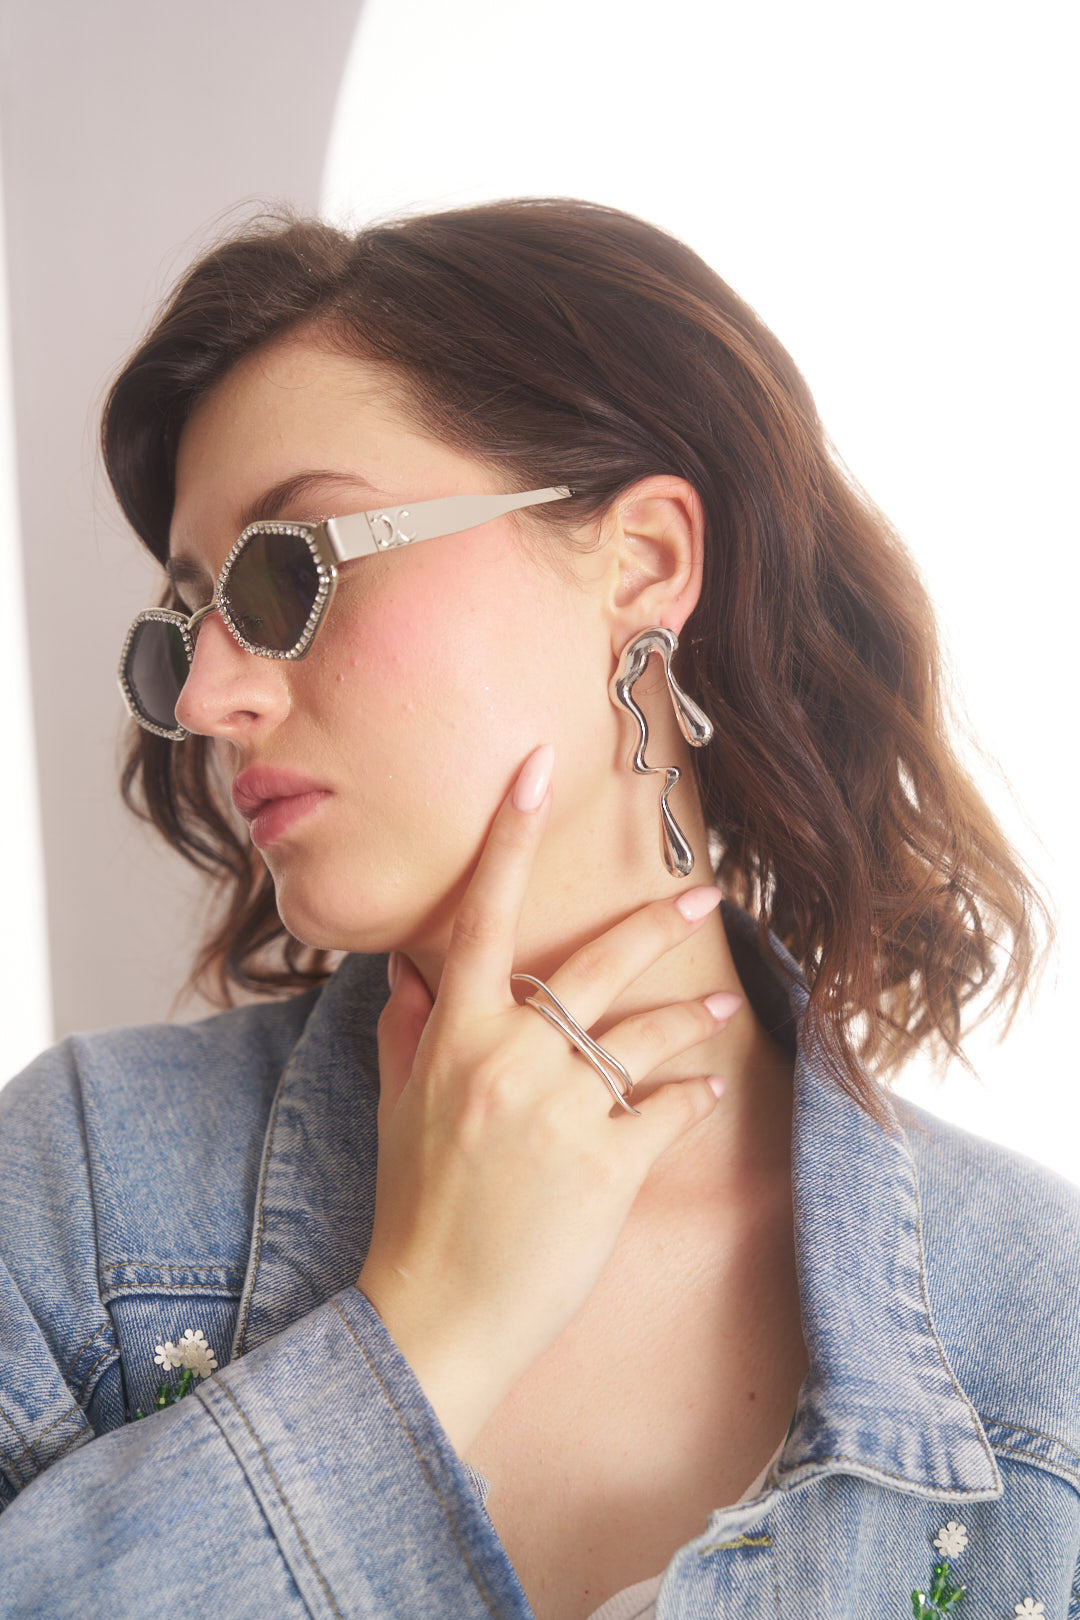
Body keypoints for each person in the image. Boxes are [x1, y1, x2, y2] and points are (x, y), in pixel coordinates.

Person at [0, 196, 1075, 1620]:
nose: (205, 698)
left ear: (644, 562)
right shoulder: (87, 1191)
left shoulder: (1044, 1350)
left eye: (287, 570)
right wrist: (425, 1333)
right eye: (183, 629)